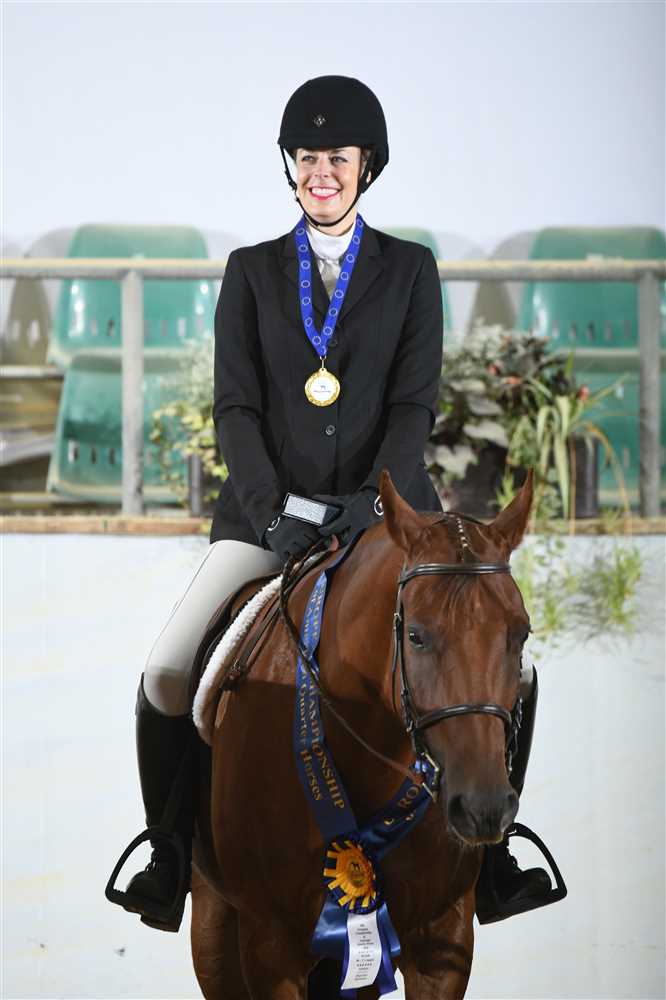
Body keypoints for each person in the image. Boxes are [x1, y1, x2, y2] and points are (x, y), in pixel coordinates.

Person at [108, 74, 551, 934]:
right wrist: (274, 510)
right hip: (265, 522)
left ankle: (493, 858)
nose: (322, 172)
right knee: (166, 671)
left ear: (366, 167)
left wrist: (372, 509)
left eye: (337, 158)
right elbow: (235, 408)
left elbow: (413, 407)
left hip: (393, 525)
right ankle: (168, 854)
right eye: (308, 157)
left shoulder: (411, 271)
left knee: (518, 672)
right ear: (291, 167)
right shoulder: (249, 273)